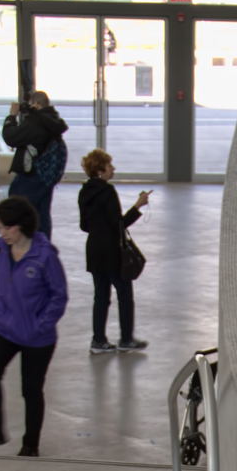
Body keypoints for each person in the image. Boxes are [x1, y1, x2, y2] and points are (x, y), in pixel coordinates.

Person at [0, 195, 67, 457]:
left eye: (8, 227)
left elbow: (59, 295)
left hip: (37, 337)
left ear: (22, 225)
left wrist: (40, 325)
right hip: (3, 327)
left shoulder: (45, 256)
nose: (3, 233)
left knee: (31, 389)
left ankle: (30, 444)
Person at [77, 147, 148, 354]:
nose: (113, 169)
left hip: (93, 248)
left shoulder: (84, 192)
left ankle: (98, 340)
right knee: (124, 294)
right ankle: (126, 338)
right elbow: (119, 224)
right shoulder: (107, 192)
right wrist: (138, 206)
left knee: (101, 295)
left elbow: (84, 225)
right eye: (109, 166)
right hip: (111, 250)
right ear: (100, 170)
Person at [2, 91, 68, 240]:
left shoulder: (36, 122)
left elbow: (10, 137)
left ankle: (23, 247)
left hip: (30, 175)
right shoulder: (53, 120)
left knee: (17, 210)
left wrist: (11, 117)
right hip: (46, 175)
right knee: (42, 214)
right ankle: (43, 249)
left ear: (36, 105)